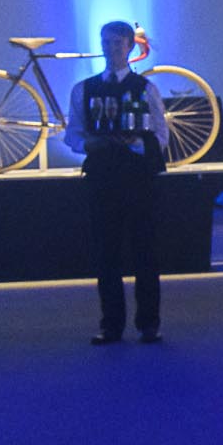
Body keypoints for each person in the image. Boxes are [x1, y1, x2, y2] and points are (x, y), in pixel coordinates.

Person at [64, 20, 169, 346]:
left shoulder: (146, 88)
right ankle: (111, 325)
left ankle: (148, 324)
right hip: (103, 178)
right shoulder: (83, 89)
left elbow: (161, 135)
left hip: (137, 179)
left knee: (145, 252)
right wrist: (91, 144)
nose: (110, 49)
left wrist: (135, 143)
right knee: (106, 254)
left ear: (129, 46)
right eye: (105, 42)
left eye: (116, 43)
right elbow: (73, 135)